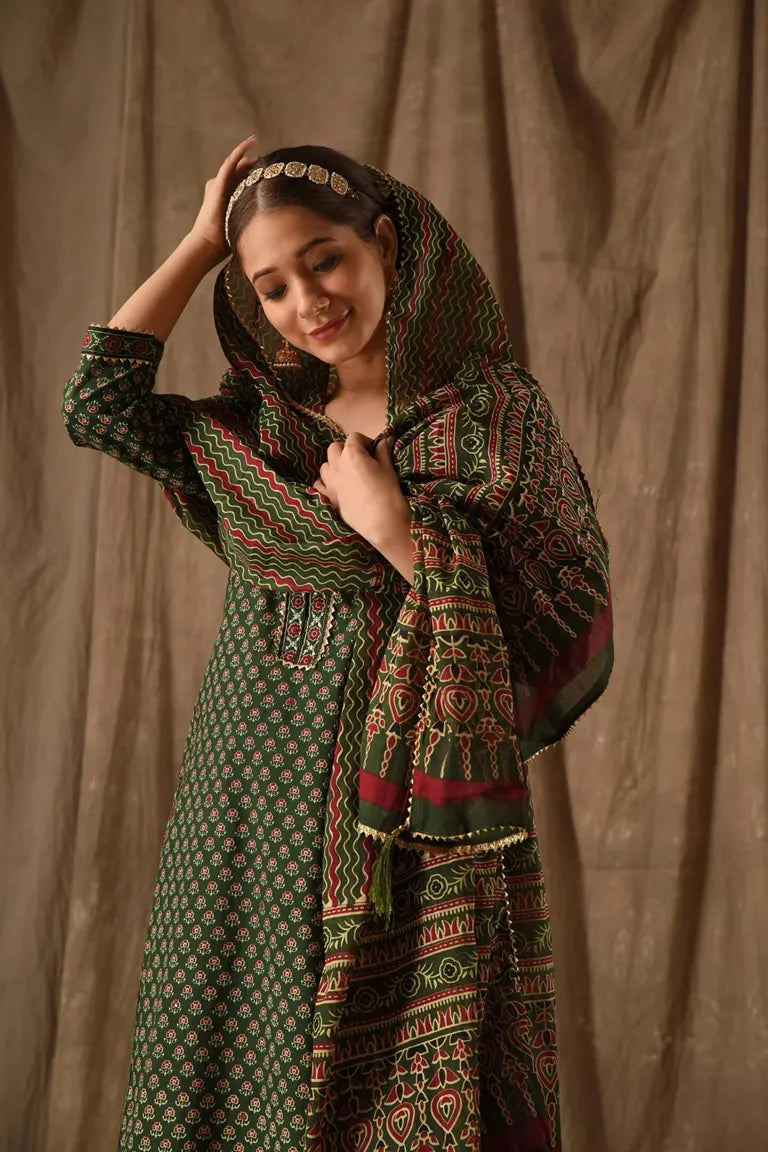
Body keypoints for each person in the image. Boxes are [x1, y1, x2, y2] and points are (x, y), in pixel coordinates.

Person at [63, 136, 613, 1152]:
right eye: (271, 287)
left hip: (399, 815)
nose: (306, 301)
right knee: (222, 1060)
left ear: (385, 245)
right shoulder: (262, 428)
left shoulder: (493, 416)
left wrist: (395, 528)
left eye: (324, 261)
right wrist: (201, 243)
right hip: (244, 802)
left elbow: (553, 614)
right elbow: (98, 404)